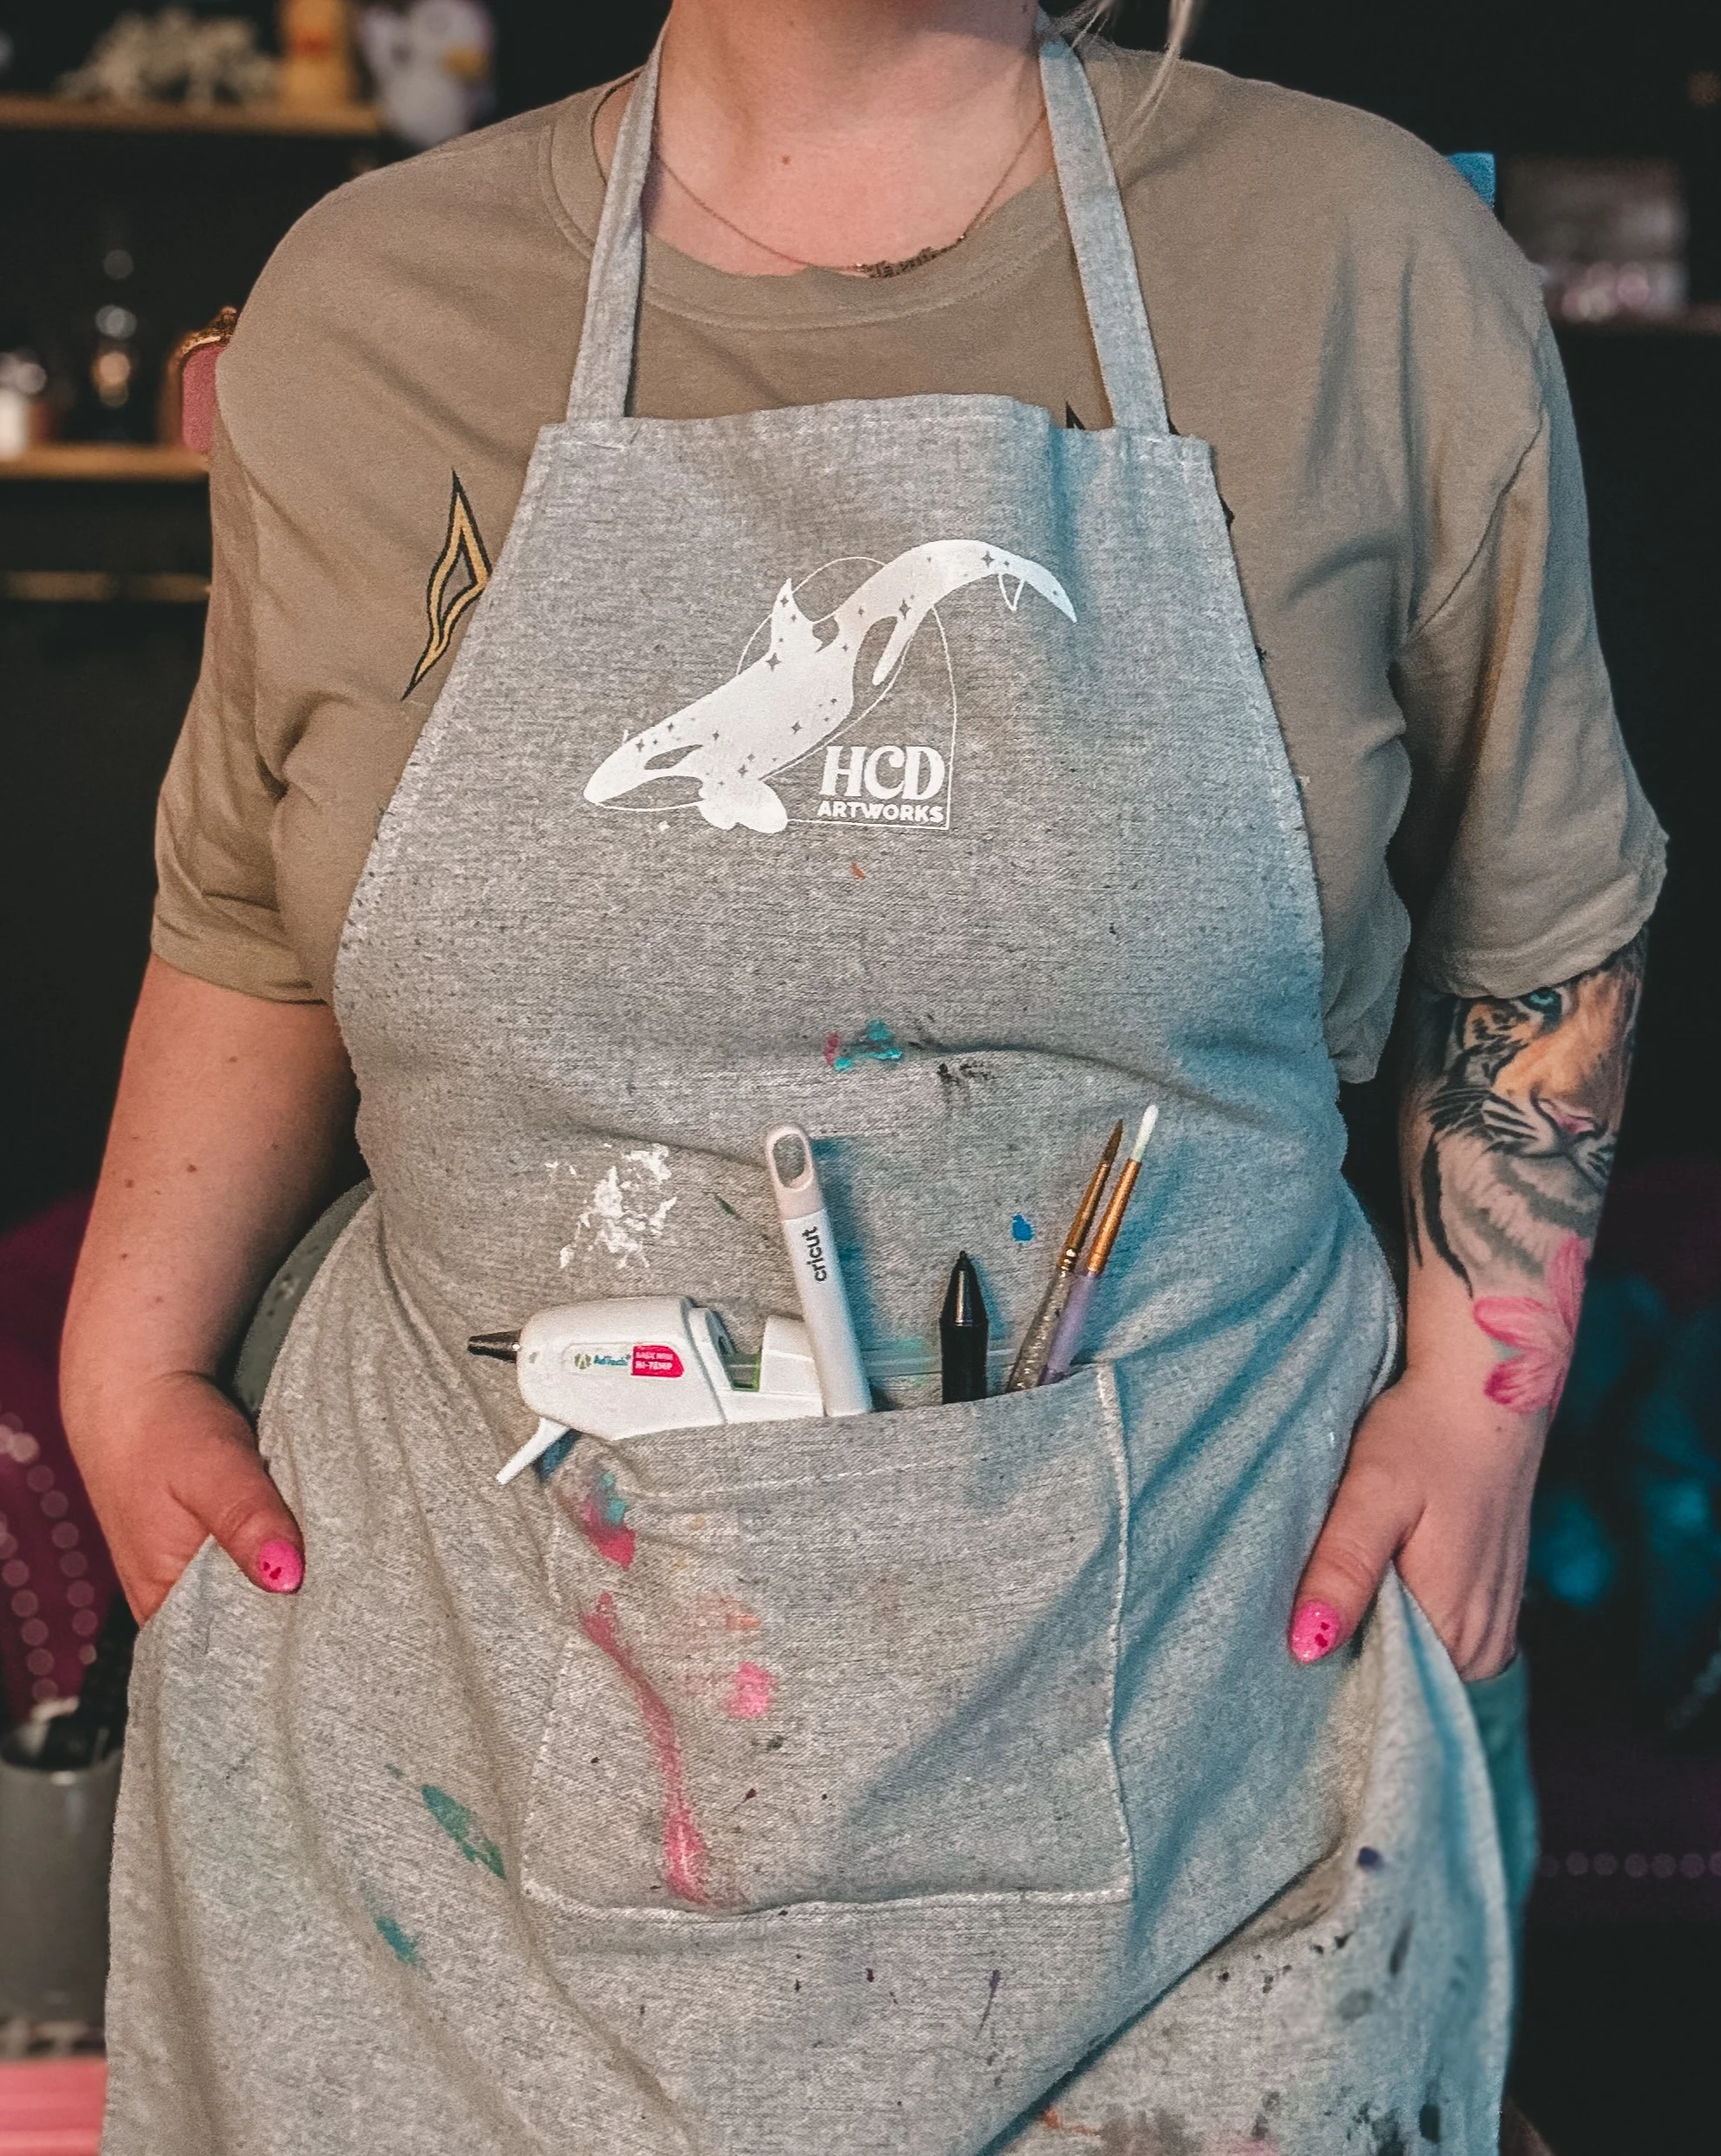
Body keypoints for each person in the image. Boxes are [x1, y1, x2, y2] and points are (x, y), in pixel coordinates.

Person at [62, 1, 1662, 2148]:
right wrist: (126, 1357)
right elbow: (258, 907)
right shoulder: (374, 299)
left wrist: (1485, 1406)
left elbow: (1538, 904)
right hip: (442, 1759)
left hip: (1207, 1740)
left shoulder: (1353, 260)